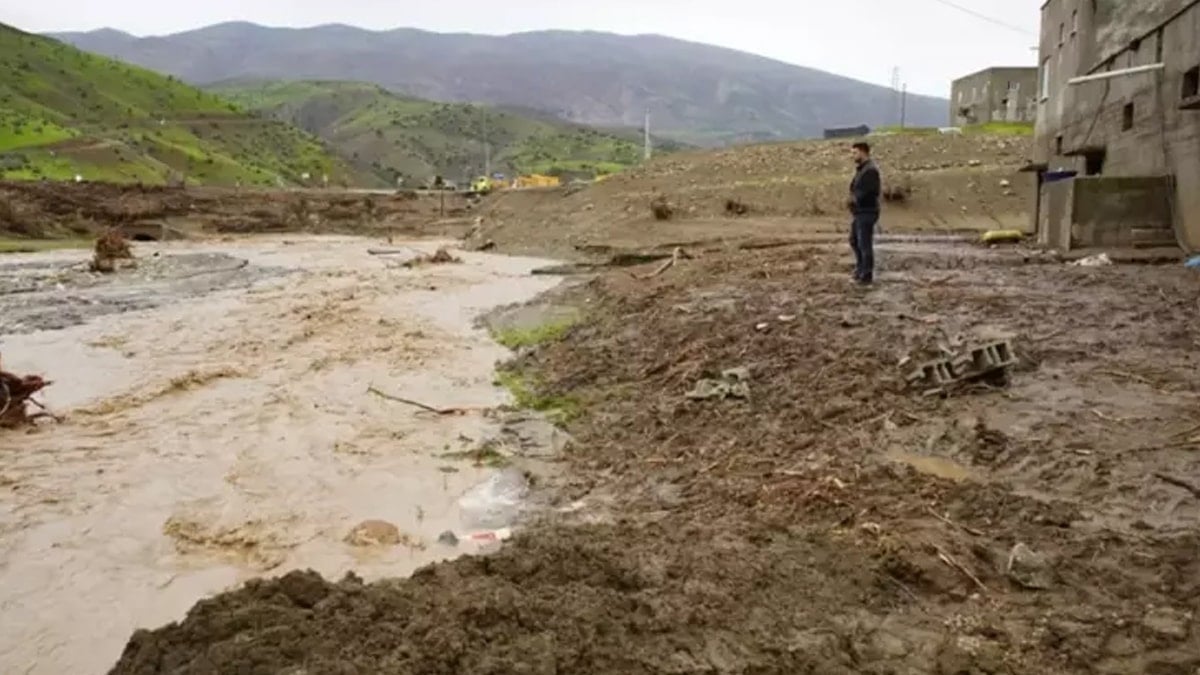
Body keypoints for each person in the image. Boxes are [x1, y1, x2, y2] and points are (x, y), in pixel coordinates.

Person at [847, 141, 882, 285]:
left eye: (855, 152)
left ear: (863, 152)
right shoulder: (862, 169)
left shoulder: (870, 170)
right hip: (860, 212)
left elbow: (868, 192)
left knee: (864, 244)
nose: (853, 156)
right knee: (854, 240)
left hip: (867, 211)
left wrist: (854, 199)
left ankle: (866, 275)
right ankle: (860, 268)